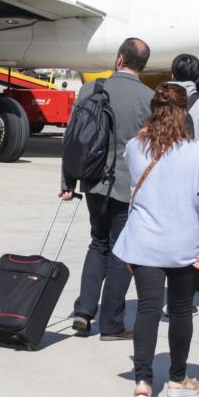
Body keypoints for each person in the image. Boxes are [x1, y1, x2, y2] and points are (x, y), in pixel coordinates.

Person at [112, 83, 199, 397]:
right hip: (183, 241)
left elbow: (137, 188)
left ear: (153, 110)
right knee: (180, 309)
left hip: (145, 240)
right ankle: (177, 379)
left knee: (147, 308)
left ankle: (143, 384)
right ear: (184, 112)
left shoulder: (135, 147)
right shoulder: (195, 151)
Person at [63, 38, 153, 339]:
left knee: (97, 243)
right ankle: (112, 324)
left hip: (93, 180)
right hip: (129, 187)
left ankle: (84, 313)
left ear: (119, 59)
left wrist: (68, 181)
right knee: (121, 251)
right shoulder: (148, 99)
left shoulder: (91, 89)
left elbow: (72, 137)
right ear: (142, 65)